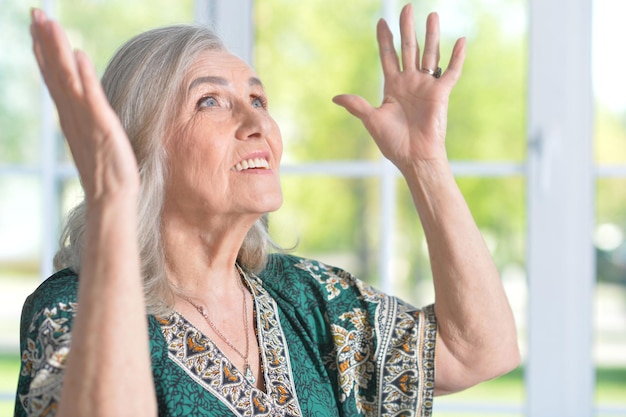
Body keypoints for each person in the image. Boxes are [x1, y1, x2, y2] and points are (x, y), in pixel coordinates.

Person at [16, 3, 519, 416]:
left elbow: (478, 351)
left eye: (258, 98)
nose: (255, 120)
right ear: (139, 146)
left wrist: (425, 162)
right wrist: (112, 205)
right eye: (210, 101)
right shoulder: (72, 309)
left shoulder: (305, 297)